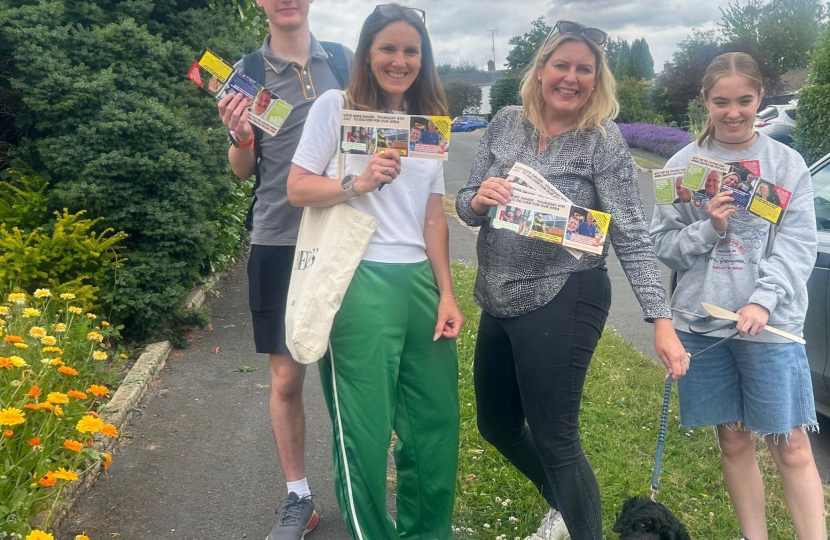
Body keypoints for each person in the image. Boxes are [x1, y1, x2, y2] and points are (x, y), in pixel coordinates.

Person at [455, 19, 688, 540]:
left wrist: (660, 318)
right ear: (540, 70)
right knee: (496, 425)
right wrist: (476, 198)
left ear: (596, 79)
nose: (571, 77)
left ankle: (584, 526)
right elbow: (465, 204)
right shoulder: (505, 123)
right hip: (498, 296)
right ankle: (567, 504)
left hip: (566, 292)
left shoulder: (600, 141)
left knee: (558, 439)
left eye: (585, 69)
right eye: (561, 64)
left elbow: (629, 232)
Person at [286, 5, 462, 539]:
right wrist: (357, 184)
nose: (400, 60)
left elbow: (433, 215)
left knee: (434, 427)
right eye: (388, 48)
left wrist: (448, 293)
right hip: (357, 281)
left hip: (419, 285)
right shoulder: (335, 108)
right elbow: (296, 188)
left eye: (412, 50)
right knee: (363, 434)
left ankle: (427, 533)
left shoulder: (430, 123)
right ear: (366, 53)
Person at [650, 52, 825, 540]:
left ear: (759, 99)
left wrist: (763, 299)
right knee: (732, 438)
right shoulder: (680, 167)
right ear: (705, 101)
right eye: (721, 101)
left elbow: (797, 246)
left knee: (790, 443)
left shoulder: (785, 164)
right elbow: (662, 245)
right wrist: (710, 228)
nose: (733, 112)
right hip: (701, 323)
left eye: (744, 101)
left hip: (770, 325)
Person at [216, 0, 353, 538]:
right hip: (277, 236)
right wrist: (239, 136)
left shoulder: (344, 61)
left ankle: (363, 487)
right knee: (286, 376)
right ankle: (299, 497)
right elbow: (242, 170)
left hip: (345, 236)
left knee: (357, 372)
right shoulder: (244, 73)